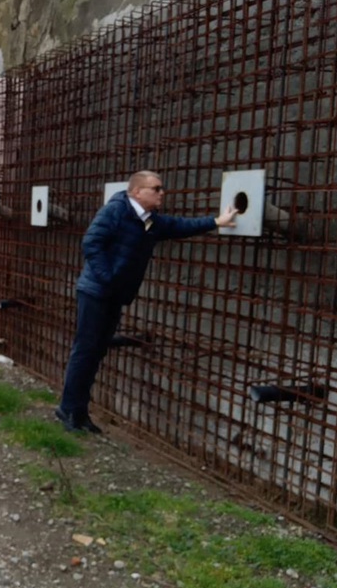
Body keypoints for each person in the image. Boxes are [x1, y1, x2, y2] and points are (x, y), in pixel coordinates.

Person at [56, 170, 238, 434]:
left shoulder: (149, 220)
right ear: (136, 192)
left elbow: (178, 226)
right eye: (156, 188)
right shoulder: (116, 211)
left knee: (96, 352)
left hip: (114, 294)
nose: (162, 193)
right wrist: (109, 278)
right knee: (85, 351)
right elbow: (91, 243)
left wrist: (216, 221)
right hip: (95, 292)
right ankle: (68, 409)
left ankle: (79, 412)